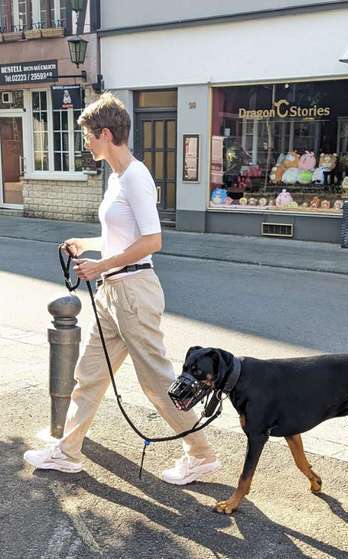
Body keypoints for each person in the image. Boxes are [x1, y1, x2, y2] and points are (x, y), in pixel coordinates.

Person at [23, 92, 221, 484]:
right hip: (112, 294)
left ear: (106, 133)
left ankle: (202, 455)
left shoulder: (136, 177)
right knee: (90, 374)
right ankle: (67, 452)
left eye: (88, 136)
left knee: (159, 383)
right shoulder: (115, 179)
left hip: (133, 292)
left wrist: (100, 266)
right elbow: (118, 236)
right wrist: (86, 244)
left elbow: (152, 240)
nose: (85, 143)